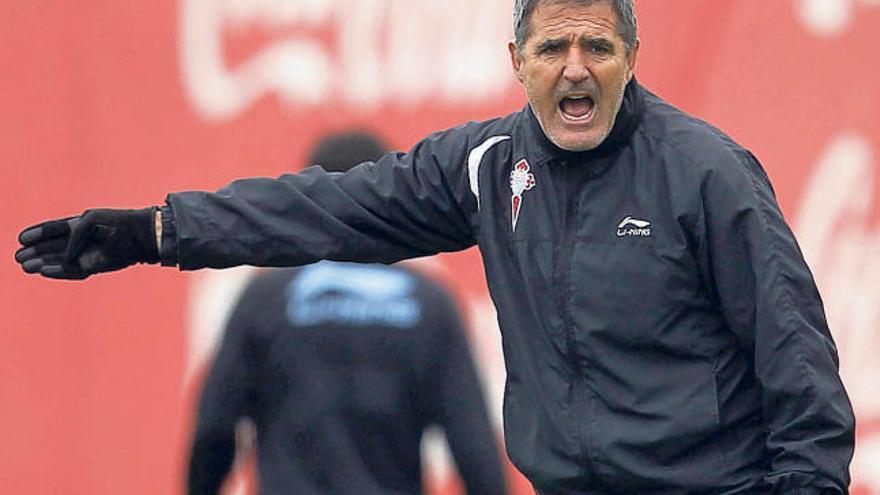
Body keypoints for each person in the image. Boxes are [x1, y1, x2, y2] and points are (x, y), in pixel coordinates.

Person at [16, 1, 856, 493]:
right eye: (552, 47)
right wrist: (159, 230)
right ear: (515, 61)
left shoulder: (706, 173)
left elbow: (802, 373)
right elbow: (329, 210)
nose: (575, 68)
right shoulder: (488, 167)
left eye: (597, 46)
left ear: (632, 58)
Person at [186, 130, 508, 495]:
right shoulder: (428, 304)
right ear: (392, 196)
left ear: (305, 201)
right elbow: (474, 446)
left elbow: (214, 429)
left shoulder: (266, 297)